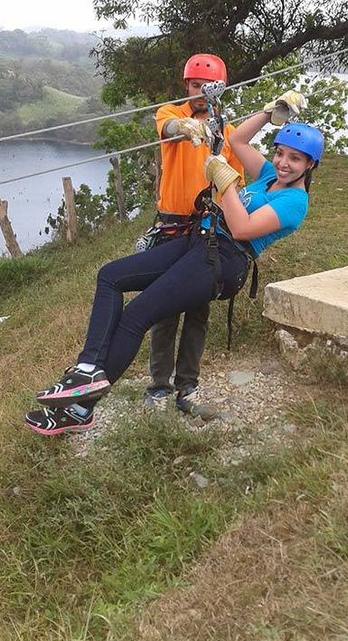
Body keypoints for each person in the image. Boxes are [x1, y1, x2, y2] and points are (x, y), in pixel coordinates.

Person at [24, 98, 321, 435]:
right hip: (201, 241)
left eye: (295, 158)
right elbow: (237, 140)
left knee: (138, 315)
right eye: (280, 153)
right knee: (110, 276)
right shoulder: (268, 177)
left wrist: (226, 186)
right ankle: (88, 368)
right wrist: (269, 113)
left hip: (221, 260)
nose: (283, 163)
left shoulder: (295, 202)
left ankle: (79, 410)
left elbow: (241, 229)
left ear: (310, 164)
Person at [145, 53, 244, 418]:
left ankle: (187, 386)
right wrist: (188, 129)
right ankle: (158, 386)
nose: (200, 92)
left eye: (207, 86)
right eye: (194, 85)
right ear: (186, 86)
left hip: (209, 227)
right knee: (165, 308)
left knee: (197, 310)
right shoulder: (170, 115)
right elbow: (167, 130)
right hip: (173, 223)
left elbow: (235, 184)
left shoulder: (229, 134)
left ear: (220, 89)